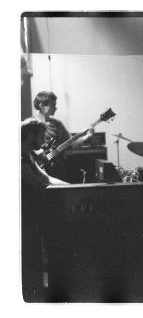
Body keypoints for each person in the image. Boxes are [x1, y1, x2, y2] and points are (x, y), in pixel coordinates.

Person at [21, 119, 68, 301]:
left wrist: (72, 188)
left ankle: (37, 293)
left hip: (32, 215)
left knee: (34, 257)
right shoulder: (18, 157)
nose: (43, 139)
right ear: (30, 135)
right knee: (30, 259)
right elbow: (38, 184)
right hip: (24, 218)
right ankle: (32, 297)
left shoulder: (28, 155)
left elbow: (46, 178)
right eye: (40, 135)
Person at [32, 91, 94, 180]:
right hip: (38, 169)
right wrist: (38, 154)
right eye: (52, 105)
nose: (55, 108)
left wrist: (87, 137)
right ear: (41, 105)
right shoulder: (31, 124)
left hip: (58, 169)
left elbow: (71, 144)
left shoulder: (57, 124)